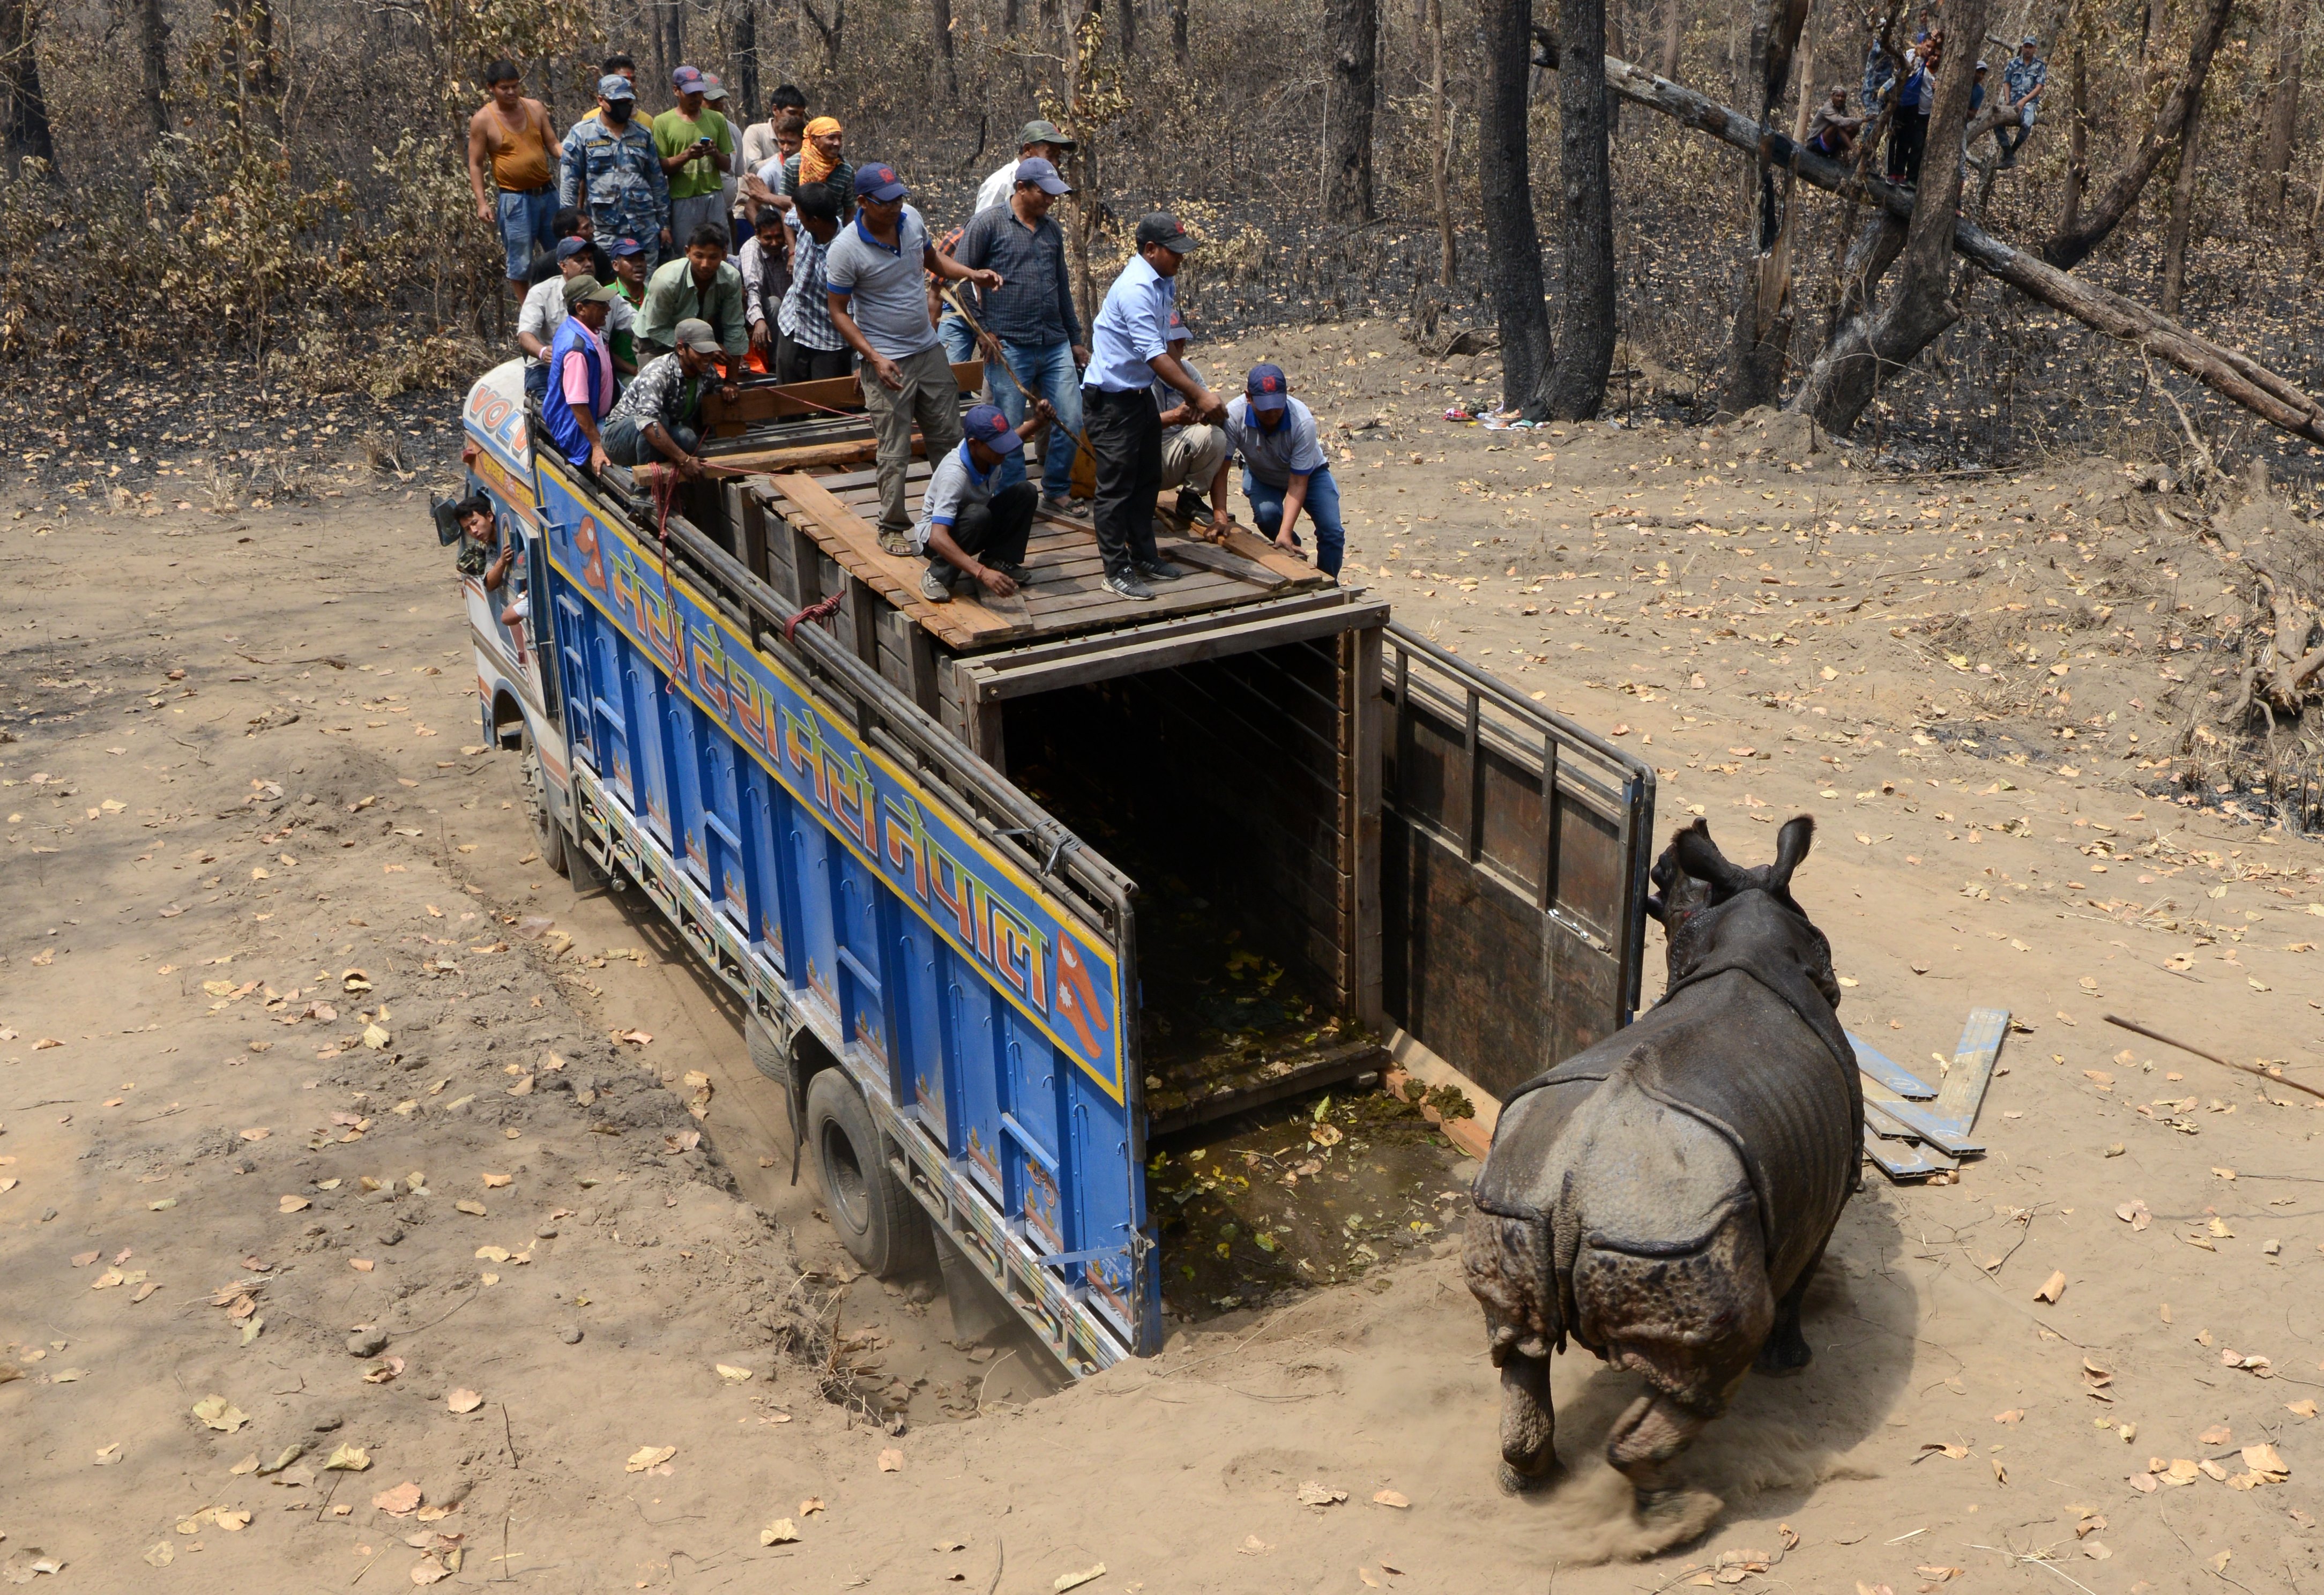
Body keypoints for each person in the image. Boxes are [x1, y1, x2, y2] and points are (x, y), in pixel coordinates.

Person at [824, 161, 1001, 550]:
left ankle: (958, 514)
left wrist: (970, 273)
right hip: (887, 359)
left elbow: (932, 261)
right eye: (885, 202)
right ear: (863, 202)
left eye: (899, 198)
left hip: (927, 348)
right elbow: (838, 309)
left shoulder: (911, 221)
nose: (894, 207)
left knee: (950, 437)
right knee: (895, 448)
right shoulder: (846, 249)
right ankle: (891, 526)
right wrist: (872, 358)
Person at [1081, 212, 1225, 600]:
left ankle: (1144, 554)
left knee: (1145, 479)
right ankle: (1115, 570)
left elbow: (1164, 351)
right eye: (1174, 252)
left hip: (1139, 395)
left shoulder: (1164, 282)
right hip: (1111, 401)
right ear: (1150, 249)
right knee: (1115, 489)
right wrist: (1198, 395)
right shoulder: (1135, 288)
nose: (1181, 259)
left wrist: (1188, 394)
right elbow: (1154, 355)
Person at [955, 156, 1087, 518]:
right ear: (1022, 189)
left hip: (1054, 340)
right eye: (1044, 194)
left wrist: (1075, 338)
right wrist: (983, 331)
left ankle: (1057, 489)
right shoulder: (987, 224)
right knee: (1009, 427)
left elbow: (1061, 287)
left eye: (1053, 195)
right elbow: (963, 282)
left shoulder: (1052, 231)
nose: (1050, 201)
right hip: (1008, 343)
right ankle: (1016, 495)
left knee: (1071, 416)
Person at [915, 402, 1052, 604]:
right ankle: (937, 575)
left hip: (976, 525)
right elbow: (937, 538)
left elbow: (1014, 438)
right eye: (998, 447)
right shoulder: (954, 474)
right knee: (978, 515)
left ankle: (997, 558)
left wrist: (1038, 422)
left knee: (1026, 492)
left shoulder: (989, 455)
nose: (1004, 452)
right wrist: (981, 573)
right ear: (973, 444)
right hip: (939, 541)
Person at [1223, 363, 1344, 577]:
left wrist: (1285, 531)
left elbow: (1298, 482)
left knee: (1332, 532)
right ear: (1248, 397)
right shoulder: (1233, 415)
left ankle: (1328, 583)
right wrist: (1220, 516)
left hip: (1309, 474)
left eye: (1277, 406)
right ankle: (1294, 554)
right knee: (1268, 516)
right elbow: (1221, 470)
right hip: (1262, 473)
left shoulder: (1302, 421)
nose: (1271, 414)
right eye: (1264, 407)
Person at [468, 61, 561, 301]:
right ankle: (528, 315)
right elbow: (475, 164)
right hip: (515, 200)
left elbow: (553, 144)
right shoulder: (483, 120)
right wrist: (482, 203)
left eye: (515, 86)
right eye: (504, 88)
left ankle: (566, 306)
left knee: (564, 254)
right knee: (520, 263)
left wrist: (571, 155)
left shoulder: (535, 108)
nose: (511, 92)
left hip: (548, 194)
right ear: (491, 88)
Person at [561, 74, 671, 269]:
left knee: (646, 285)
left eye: (628, 101)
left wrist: (664, 225)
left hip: (643, 228)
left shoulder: (643, 134)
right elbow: (570, 182)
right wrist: (570, 227)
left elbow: (657, 181)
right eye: (618, 102)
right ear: (601, 101)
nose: (624, 106)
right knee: (607, 288)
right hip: (604, 230)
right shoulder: (582, 134)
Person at [604, 319, 736, 473]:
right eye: (701, 352)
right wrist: (684, 460)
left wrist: (728, 388)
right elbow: (647, 422)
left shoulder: (708, 374)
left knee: (687, 438)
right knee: (659, 419)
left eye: (710, 352)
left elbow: (711, 396)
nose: (707, 357)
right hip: (618, 440)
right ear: (681, 349)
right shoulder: (659, 373)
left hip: (658, 432)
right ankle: (645, 489)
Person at [1152, 308, 1230, 533]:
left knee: (1216, 436)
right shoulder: (1143, 376)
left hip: (1175, 456)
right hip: (1143, 460)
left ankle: (1190, 498)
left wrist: (1210, 412)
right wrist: (1174, 417)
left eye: (1182, 343)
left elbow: (1211, 414)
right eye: (1175, 344)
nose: (1181, 349)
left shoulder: (1189, 371)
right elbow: (1132, 427)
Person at [541, 276, 622, 474]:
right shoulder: (577, 350)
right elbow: (577, 405)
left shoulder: (589, 330)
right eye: (601, 304)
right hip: (579, 428)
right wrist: (596, 445)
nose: (608, 309)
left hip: (600, 413)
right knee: (627, 456)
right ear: (580, 309)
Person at [636, 222, 748, 363]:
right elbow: (655, 328)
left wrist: (732, 382)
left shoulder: (731, 277)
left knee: (705, 382)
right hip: (655, 341)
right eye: (699, 256)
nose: (705, 264)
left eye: (713, 257)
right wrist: (699, 346)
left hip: (697, 342)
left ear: (724, 255)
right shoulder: (666, 281)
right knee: (656, 381)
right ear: (688, 252)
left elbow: (734, 328)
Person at [656, 66, 734, 259]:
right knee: (687, 255)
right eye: (691, 93)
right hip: (683, 199)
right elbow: (661, 167)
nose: (696, 98)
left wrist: (715, 153)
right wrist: (686, 156)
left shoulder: (716, 119)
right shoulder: (662, 122)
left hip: (713, 196)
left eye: (700, 93)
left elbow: (727, 165)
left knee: (722, 251)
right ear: (676, 91)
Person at [777, 181, 851, 383]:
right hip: (792, 323)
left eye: (801, 215)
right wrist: (765, 197)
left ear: (815, 220)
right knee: (788, 400)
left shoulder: (844, 255)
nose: (797, 218)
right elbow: (789, 208)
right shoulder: (806, 223)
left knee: (827, 404)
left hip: (828, 337)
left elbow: (854, 309)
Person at [518, 236, 598, 398]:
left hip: (590, 368)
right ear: (563, 266)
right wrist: (542, 351)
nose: (588, 264)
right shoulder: (541, 293)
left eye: (590, 259)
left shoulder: (600, 293)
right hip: (546, 370)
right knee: (556, 415)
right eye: (580, 260)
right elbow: (524, 335)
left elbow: (632, 321)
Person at [973, 118, 1076, 215]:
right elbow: (981, 229)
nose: (1055, 163)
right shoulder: (1002, 184)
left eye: (1058, 156)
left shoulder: (1042, 183)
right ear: (1028, 150)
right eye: (1050, 154)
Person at [739, 207, 792, 372]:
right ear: (757, 235)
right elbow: (752, 288)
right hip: (756, 312)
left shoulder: (789, 249)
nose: (774, 243)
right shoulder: (752, 248)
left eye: (778, 237)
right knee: (775, 304)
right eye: (768, 238)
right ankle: (776, 367)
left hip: (788, 314)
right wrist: (758, 320)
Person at [1998, 36, 2047, 165]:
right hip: (2012, 102)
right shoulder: (2013, 64)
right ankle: (2008, 153)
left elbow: (2039, 87)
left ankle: (2011, 153)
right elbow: (2007, 83)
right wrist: (2007, 100)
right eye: (2026, 47)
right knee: (1996, 121)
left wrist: (2024, 101)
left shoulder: (2039, 66)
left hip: (2029, 103)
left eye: (2031, 47)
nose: (2028, 50)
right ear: (2022, 47)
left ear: (2035, 49)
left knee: (2027, 123)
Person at [452, 495, 513, 592]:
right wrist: (502, 561)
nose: (474, 531)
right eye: (468, 529)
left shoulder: (509, 533)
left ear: (489, 517)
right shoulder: (490, 545)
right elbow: (489, 585)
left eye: (475, 523)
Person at [1805, 85, 1864, 160]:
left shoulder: (1843, 109)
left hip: (1831, 144)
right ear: (1832, 96)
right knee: (1836, 126)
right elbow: (1841, 122)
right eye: (1838, 96)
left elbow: (1847, 125)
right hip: (1816, 144)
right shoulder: (1827, 108)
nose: (1840, 99)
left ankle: (1840, 153)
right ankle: (1854, 151)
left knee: (1854, 127)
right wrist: (1863, 120)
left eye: (1843, 97)